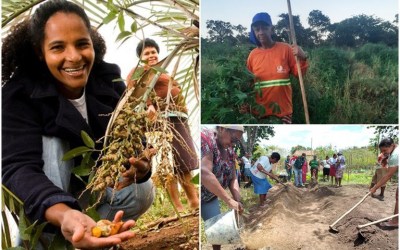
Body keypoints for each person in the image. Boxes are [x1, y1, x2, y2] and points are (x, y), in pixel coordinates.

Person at [2, 0, 155, 248]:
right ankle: (47, 241)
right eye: (58, 47)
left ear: (92, 44)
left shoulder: (109, 82)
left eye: (82, 44)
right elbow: (18, 168)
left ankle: (93, 233)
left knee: (142, 190)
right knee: (52, 142)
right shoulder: (19, 96)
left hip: (89, 195)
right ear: (40, 52)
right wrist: (64, 214)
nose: (73, 57)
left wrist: (141, 167)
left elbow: (134, 138)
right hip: (49, 207)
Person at [126, 38, 199, 213]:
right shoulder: (138, 71)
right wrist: (149, 104)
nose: (151, 55)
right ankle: (178, 207)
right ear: (140, 57)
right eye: (147, 53)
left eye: (153, 52)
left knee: (183, 162)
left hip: (177, 118)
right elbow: (135, 90)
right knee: (165, 163)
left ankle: (194, 202)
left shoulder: (164, 72)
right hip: (157, 121)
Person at [244, 12, 308, 124]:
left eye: (264, 28)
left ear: (272, 29)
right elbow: (248, 84)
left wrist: (303, 58)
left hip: (283, 113)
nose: (261, 32)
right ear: (254, 32)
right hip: (259, 113)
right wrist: (245, 104)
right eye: (257, 29)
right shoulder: (252, 55)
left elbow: (300, 75)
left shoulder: (286, 49)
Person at [201, 125, 244, 250]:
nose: (233, 144)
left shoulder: (230, 150)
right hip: (198, 193)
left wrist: (237, 200)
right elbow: (204, 172)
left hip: (210, 197)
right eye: (233, 139)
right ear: (222, 129)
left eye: (236, 142)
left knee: (218, 231)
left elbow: (233, 178)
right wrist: (229, 200)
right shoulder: (205, 138)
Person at [370, 138, 398, 228]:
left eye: (385, 150)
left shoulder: (395, 155)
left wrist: (375, 188)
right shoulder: (396, 150)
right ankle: (396, 219)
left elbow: (388, 175)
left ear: (392, 145)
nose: (383, 153)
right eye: (382, 151)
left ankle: (395, 221)